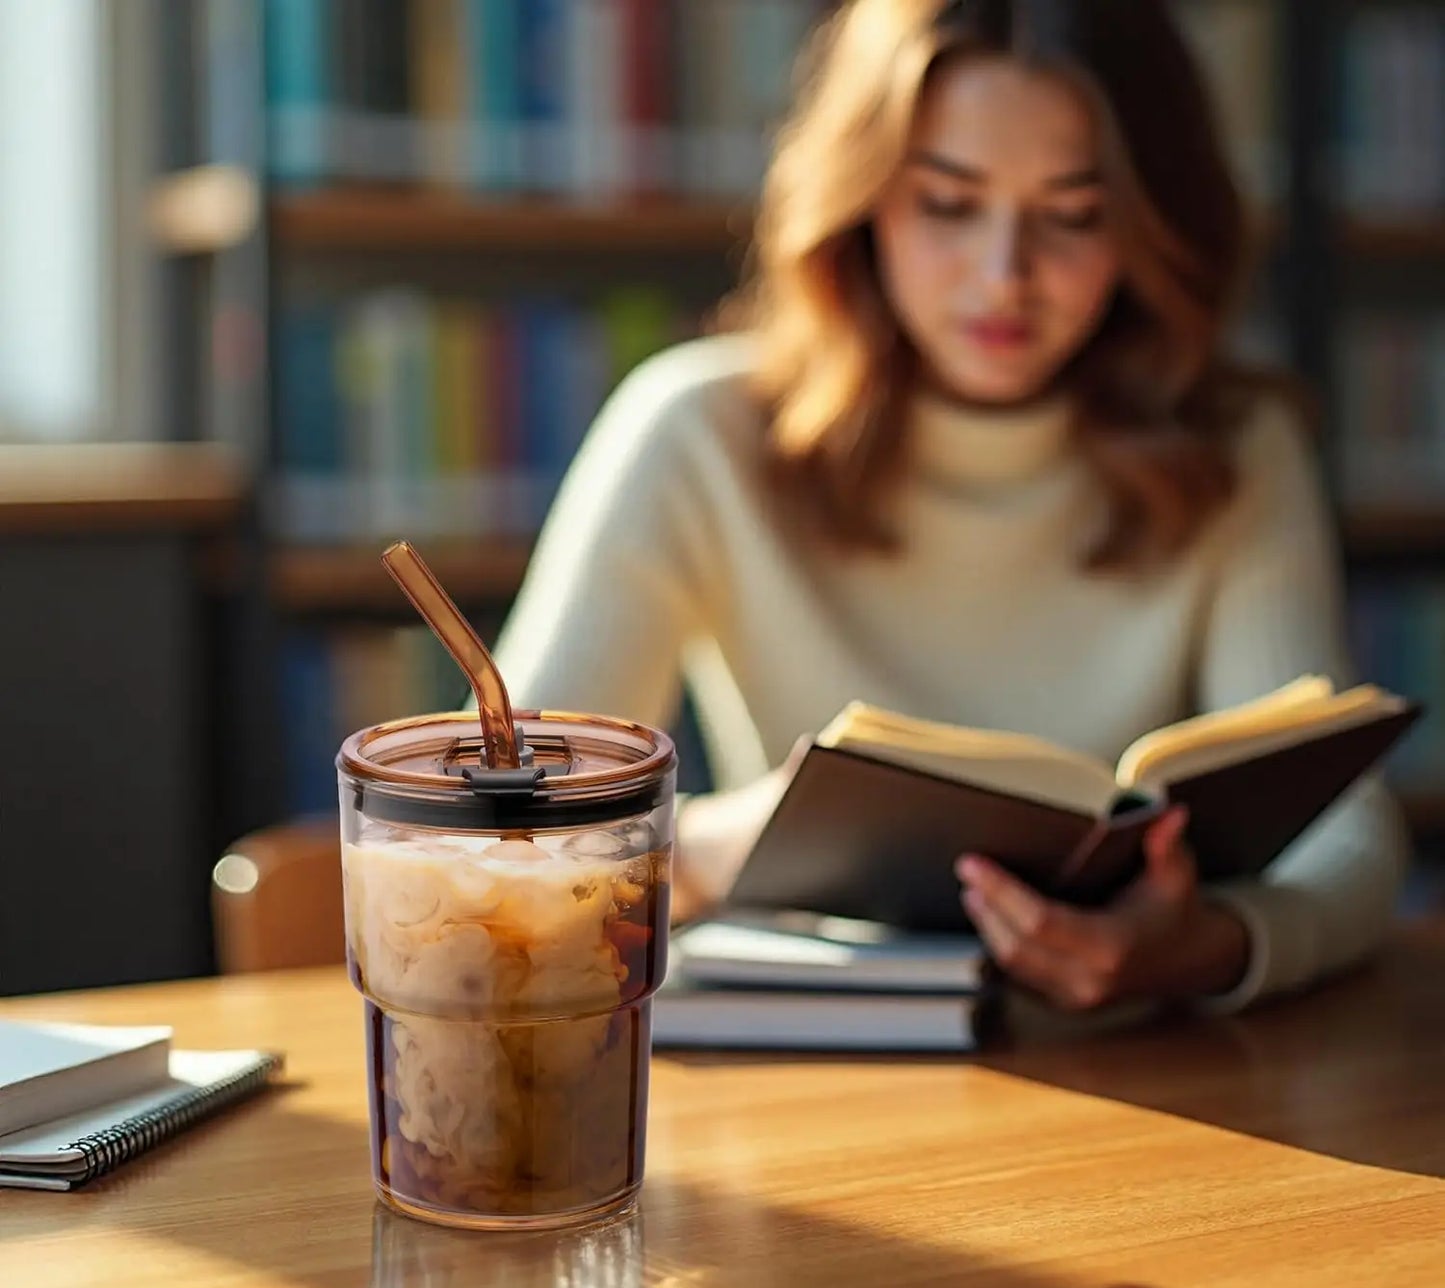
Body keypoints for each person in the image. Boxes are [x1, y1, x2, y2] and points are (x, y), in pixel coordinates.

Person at [491, 0, 1408, 1015]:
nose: (1003, 276)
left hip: (1147, 1069)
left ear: (1151, 221)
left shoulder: (1234, 447)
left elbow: (1351, 834)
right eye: (945, 203)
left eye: (1071, 215)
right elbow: (489, 841)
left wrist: (1209, 945)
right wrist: (708, 845)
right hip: (805, 1066)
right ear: (862, 199)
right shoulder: (696, 432)